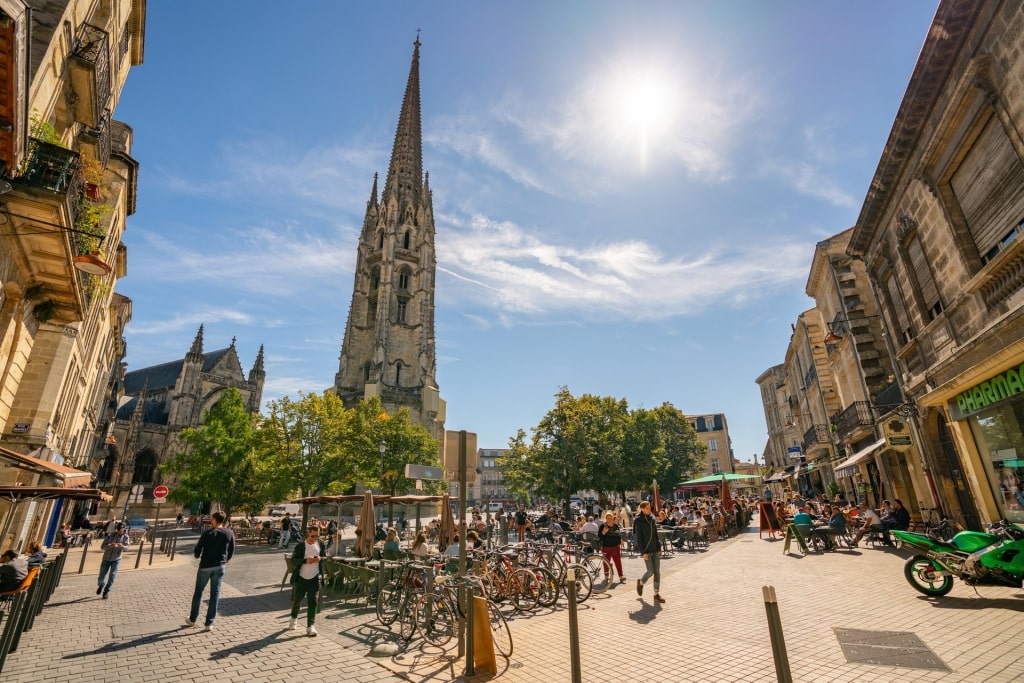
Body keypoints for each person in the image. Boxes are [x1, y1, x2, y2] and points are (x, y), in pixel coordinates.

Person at [186, 511, 235, 632]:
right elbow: (232, 549)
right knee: (215, 594)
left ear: (214, 519)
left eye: (212, 519)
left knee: (198, 592)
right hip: (219, 567)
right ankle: (209, 623)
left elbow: (198, 548)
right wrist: (226, 559)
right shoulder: (229, 533)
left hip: (206, 566)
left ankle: (192, 619)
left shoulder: (207, 533)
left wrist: (197, 555)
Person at [288, 527, 324, 637]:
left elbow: (324, 556)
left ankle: (310, 626)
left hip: (315, 577)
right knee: (297, 600)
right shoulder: (300, 546)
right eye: (312, 536)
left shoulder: (320, 544)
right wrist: (305, 561)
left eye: (317, 536)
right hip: (301, 578)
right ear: (308, 534)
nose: (315, 538)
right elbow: (293, 560)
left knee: (313, 601)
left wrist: (320, 558)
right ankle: (294, 618)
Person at [633, 501, 665, 604]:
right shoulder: (638, 520)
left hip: (655, 548)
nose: (649, 510)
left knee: (657, 572)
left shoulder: (652, 518)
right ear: (642, 509)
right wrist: (643, 552)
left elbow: (655, 534)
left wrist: (659, 547)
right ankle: (641, 583)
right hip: (646, 549)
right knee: (650, 571)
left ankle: (656, 594)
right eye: (647, 508)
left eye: (649, 508)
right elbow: (639, 538)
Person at [97, 522, 129, 599]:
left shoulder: (126, 537)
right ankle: (101, 585)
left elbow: (126, 548)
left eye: (120, 530)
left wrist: (122, 546)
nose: (119, 531)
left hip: (116, 559)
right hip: (106, 559)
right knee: (101, 577)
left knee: (112, 576)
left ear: (123, 529)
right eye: (118, 530)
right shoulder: (109, 536)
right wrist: (110, 545)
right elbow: (102, 547)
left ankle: (106, 591)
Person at [599, 512, 625, 583]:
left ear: (613, 519)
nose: (609, 520)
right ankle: (606, 576)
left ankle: (621, 576)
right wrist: (603, 533)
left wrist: (621, 540)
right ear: (606, 519)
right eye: (608, 518)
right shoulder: (603, 526)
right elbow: (599, 536)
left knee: (618, 562)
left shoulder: (616, 525)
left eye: (611, 518)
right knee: (606, 562)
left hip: (615, 547)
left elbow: (618, 534)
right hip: (606, 547)